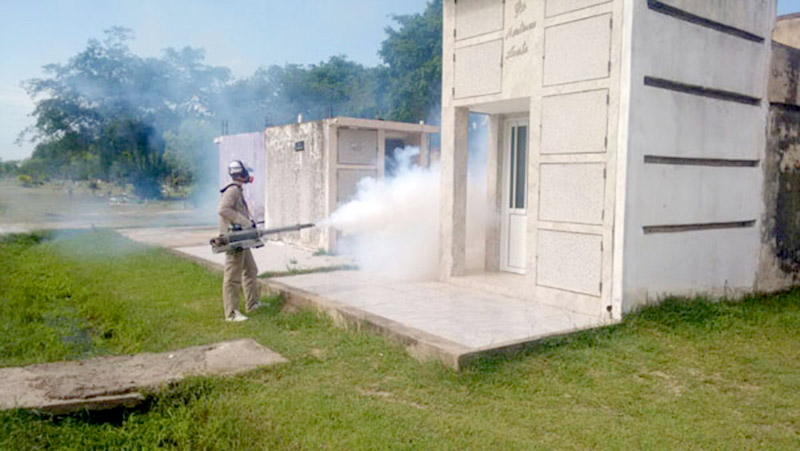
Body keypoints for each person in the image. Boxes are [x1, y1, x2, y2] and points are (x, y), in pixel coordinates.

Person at [218, 160, 263, 322]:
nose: (247, 175)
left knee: (251, 270)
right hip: (234, 240)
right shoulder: (232, 191)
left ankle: (252, 304)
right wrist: (244, 222)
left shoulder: (238, 190)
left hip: (242, 239)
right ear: (240, 174)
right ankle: (231, 314)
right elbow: (223, 209)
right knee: (232, 277)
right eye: (245, 172)